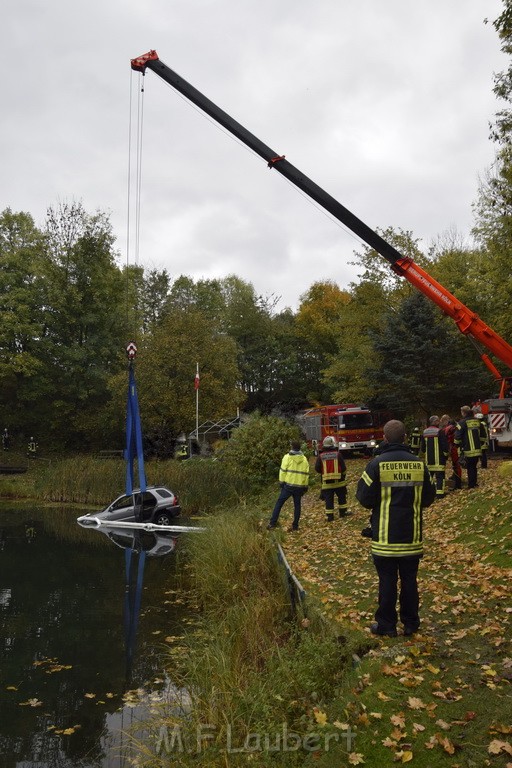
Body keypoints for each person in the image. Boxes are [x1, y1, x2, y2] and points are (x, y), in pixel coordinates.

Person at [356, 420, 436, 637]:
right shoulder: (419, 465)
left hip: (384, 538)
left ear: (384, 437)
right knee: (410, 581)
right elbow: (429, 497)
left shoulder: (376, 465)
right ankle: (411, 624)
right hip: (411, 537)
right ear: (405, 438)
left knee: (387, 582)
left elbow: (363, 497)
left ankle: (386, 626)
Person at [267, 440, 309, 531]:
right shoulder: (304, 459)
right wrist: (305, 486)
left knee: (279, 503)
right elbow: (306, 474)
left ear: (292, 447)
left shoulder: (287, 457)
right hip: (299, 487)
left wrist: (281, 482)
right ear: (299, 448)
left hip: (288, 486)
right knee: (297, 505)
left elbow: (282, 471)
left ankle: (272, 523)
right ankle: (295, 526)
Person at [315, 436, 348, 521]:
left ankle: (330, 516)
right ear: (333, 444)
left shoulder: (321, 456)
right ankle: (342, 513)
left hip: (327, 484)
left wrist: (324, 473)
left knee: (329, 500)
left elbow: (317, 468)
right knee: (342, 498)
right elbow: (343, 468)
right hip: (339, 482)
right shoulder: (338, 455)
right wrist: (343, 476)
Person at [420, 415, 449, 498]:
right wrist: (446, 455)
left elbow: (423, 449)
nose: (439, 422)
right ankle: (440, 494)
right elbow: (444, 445)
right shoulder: (440, 431)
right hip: (439, 460)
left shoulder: (425, 432)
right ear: (435, 422)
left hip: (429, 461)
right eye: (438, 421)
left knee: (429, 478)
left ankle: (429, 494)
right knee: (440, 477)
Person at [454, 406, 482, 489]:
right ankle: (474, 483)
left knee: (470, 467)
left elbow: (457, 437)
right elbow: (482, 434)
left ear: (464, 413)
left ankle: (471, 485)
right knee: (474, 466)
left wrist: (457, 445)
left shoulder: (461, 423)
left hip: (468, 449)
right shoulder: (477, 421)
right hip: (477, 449)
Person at [439, 414, 462, 490]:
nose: (442, 424)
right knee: (456, 466)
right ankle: (457, 481)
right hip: (458, 447)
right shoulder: (456, 425)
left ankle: (458, 484)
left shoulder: (448, 428)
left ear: (445, 420)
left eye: (442, 422)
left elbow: (446, 441)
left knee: (456, 466)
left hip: (454, 449)